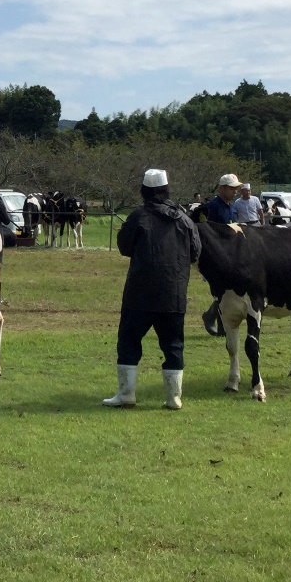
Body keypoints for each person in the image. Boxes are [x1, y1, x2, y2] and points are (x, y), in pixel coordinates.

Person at [104, 169, 201, 410]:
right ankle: (173, 398)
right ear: (167, 190)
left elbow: (124, 247)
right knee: (173, 345)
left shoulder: (138, 217)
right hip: (174, 294)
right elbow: (196, 252)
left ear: (144, 191)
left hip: (139, 294)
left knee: (128, 341)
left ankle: (126, 394)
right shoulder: (185, 219)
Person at [201, 174, 241, 336]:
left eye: (236, 188)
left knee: (227, 290)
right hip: (218, 255)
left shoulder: (231, 206)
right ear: (222, 188)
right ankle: (219, 323)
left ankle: (211, 317)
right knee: (223, 290)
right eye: (232, 188)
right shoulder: (213, 207)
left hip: (231, 254)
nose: (235, 192)